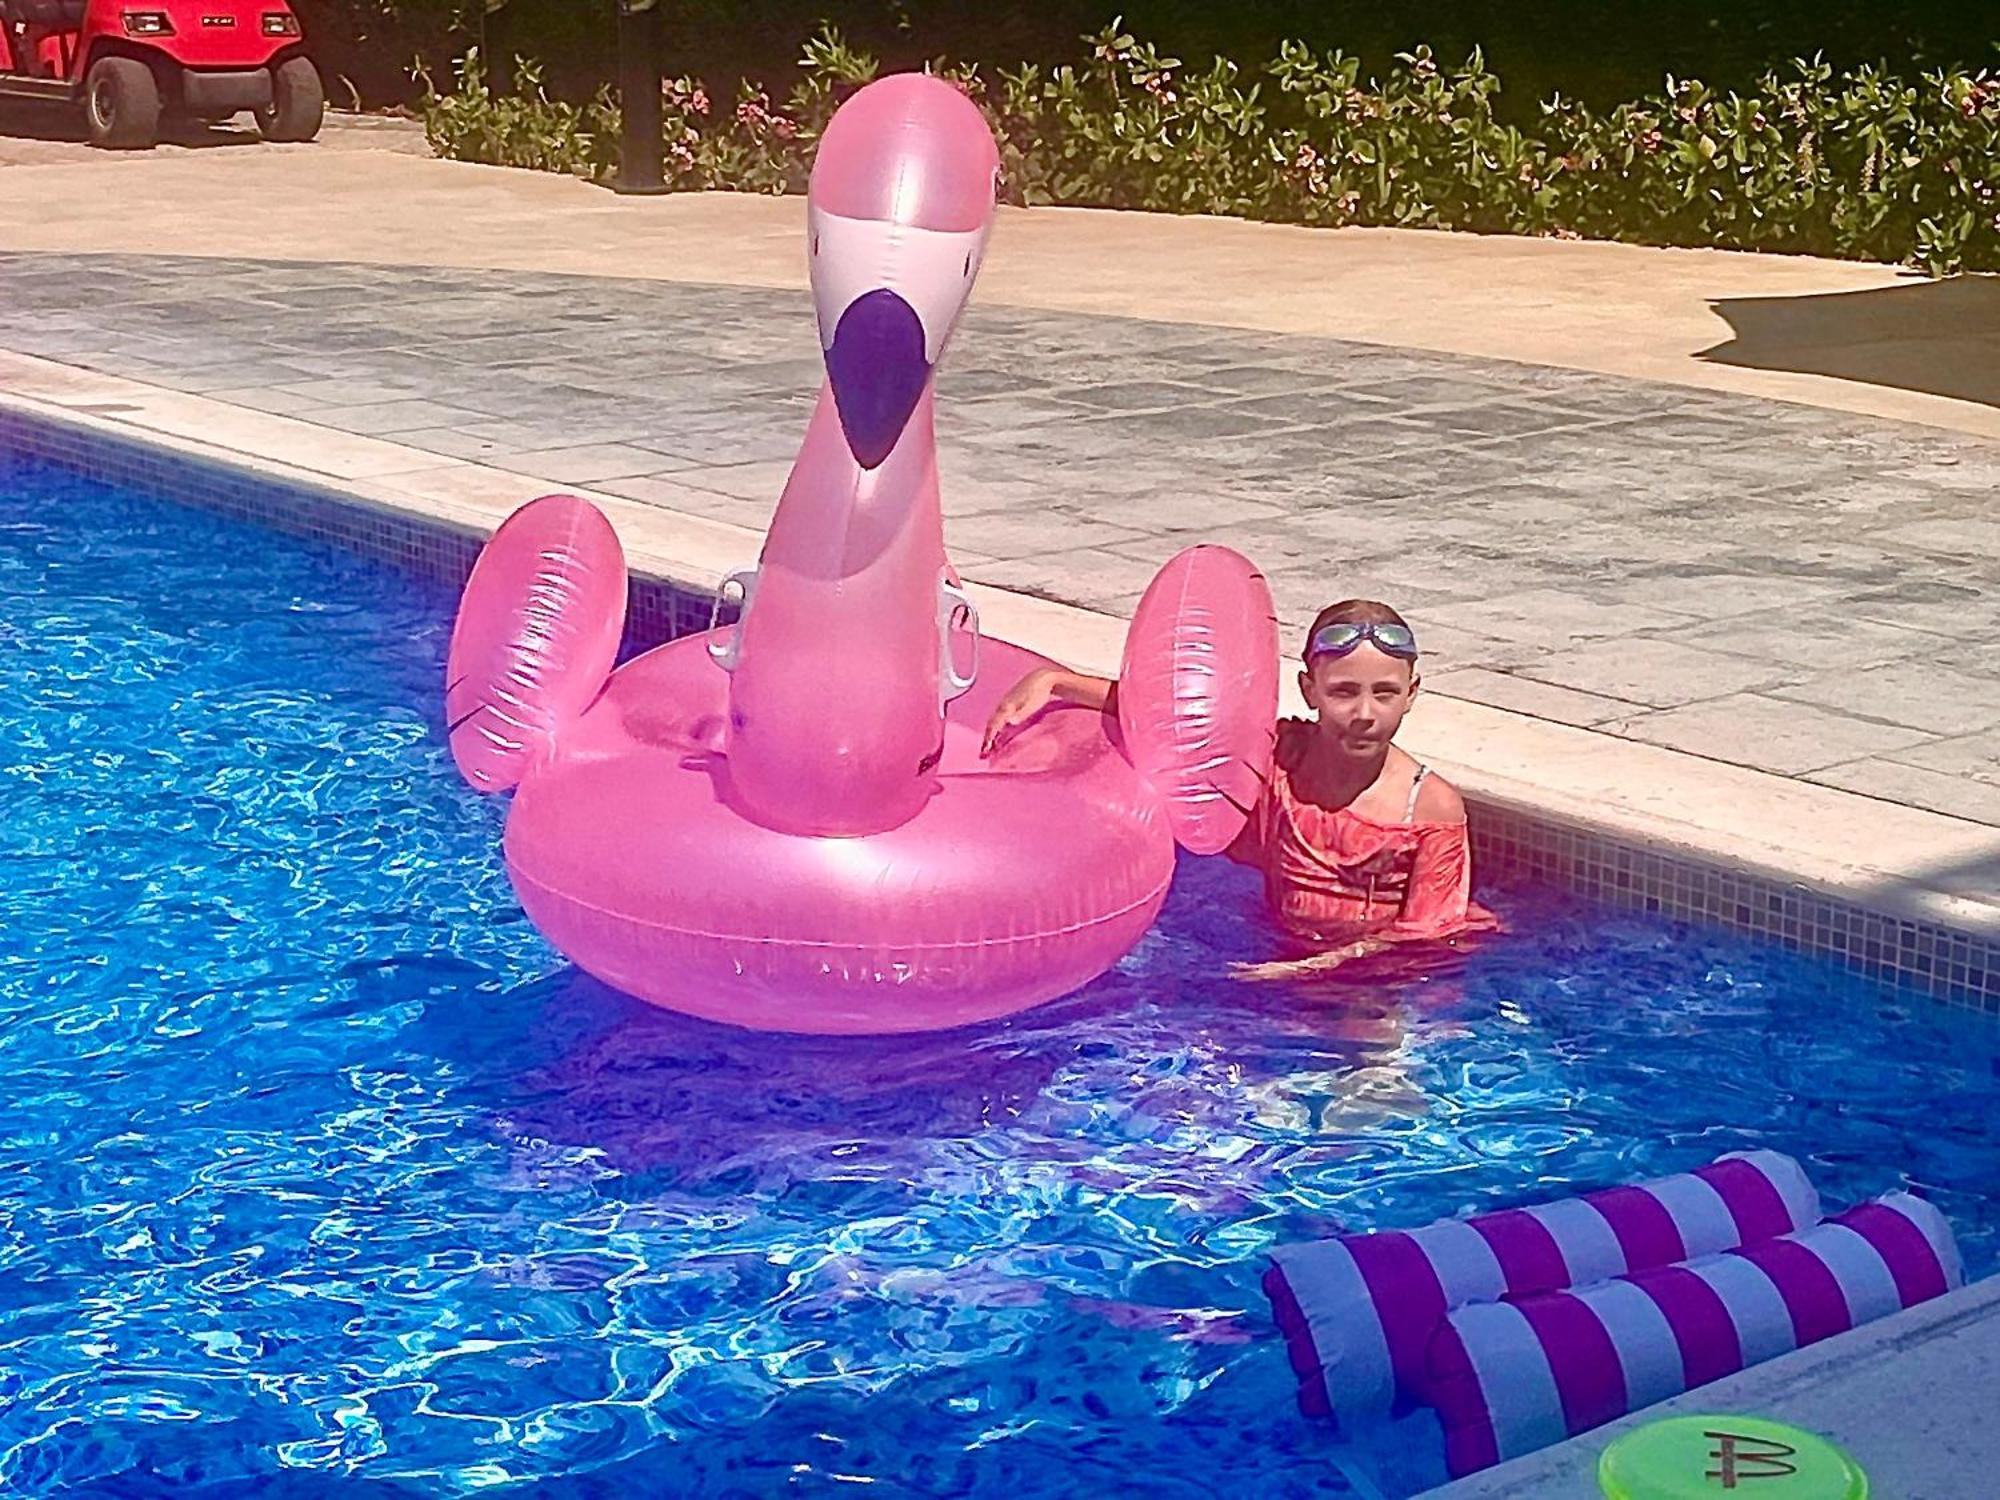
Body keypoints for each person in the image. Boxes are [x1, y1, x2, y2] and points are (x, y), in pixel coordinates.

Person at [980, 599, 1495, 978]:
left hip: (1379, 975)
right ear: (1309, 690)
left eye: (1385, 693)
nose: (1365, 713)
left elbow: (1425, 936)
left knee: (1371, 1048)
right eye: (1343, 692)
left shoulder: (1427, 805)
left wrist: (1315, 968)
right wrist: (1059, 683)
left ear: (1412, 693)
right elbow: (1174, 720)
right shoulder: (1280, 756)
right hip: (1283, 949)